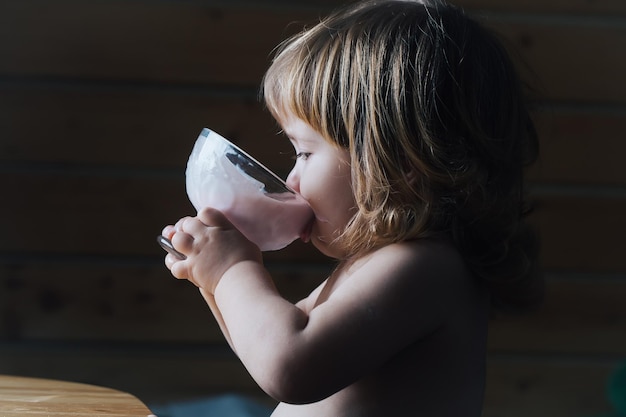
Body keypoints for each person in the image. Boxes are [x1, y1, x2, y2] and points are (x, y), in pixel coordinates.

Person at [160, 0, 543, 415]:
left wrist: (233, 270)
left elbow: (288, 366)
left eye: (304, 153)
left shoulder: (425, 268)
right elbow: (261, 345)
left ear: (400, 165)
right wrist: (213, 281)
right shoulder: (379, 264)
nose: (291, 180)